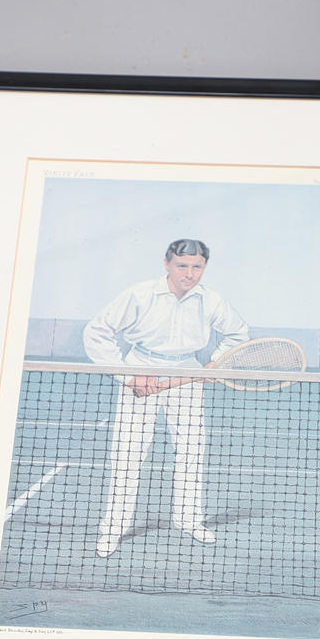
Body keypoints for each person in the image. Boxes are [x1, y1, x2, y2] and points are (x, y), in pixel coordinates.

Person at [82, 239, 249, 558]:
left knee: (191, 450)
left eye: (197, 267)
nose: (189, 274)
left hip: (188, 373)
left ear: (204, 267)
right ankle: (113, 527)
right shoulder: (139, 294)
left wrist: (217, 360)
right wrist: (130, 376)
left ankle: (189, 520)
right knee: (127, 453)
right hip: (141, 368)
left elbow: (237, 332)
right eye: (182, 266)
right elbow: (96, 332)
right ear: (167, 264)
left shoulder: (211, 300)